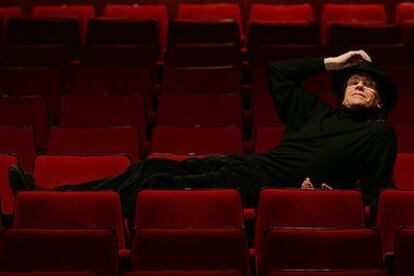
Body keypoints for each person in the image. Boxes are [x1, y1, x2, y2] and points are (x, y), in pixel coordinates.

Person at [9, 50, 398, 220]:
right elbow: (277, 72)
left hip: (268, 189)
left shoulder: (379, 135)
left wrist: (340, 198)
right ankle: (49, 199)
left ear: (380, 103)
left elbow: (379, 192)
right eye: (353, 80)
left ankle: (49, 205)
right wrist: (331, 63)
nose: (358, 85)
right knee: (148, 166)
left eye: (368, 84)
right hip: (245, 169)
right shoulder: (314, 112)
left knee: (156, 181)